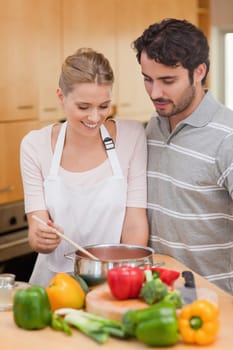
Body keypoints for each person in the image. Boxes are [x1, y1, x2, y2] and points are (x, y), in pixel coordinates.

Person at [20, 48, 149, 287]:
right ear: (61, 96)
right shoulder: (34, 145)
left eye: (103, 106)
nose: (94, 117)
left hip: (112, 282)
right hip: (52, 286)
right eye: (83, 106)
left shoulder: (132, 137)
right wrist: (40, 239)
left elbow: (134, 223)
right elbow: (35, 226)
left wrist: (128, 281)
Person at [133, 18, 233, 295]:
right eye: (147, 79)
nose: (155, 93)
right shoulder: (154, 125)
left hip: (214, 302)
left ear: (199, 71)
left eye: (168, 80)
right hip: (156, 296)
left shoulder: (228, 138)